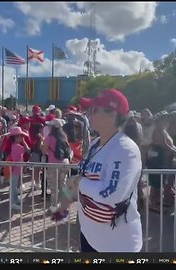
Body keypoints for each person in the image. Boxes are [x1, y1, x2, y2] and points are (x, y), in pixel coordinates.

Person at [57, 89, 142, 252]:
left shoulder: (125, 149)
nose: (88, 114)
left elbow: (112, 194)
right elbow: (85, 178)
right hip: (90, 237)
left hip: (116, 244)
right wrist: (68, 197)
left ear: (112, 115)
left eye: (94, 110)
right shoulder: (95, 143)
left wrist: (79, 183)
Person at [42, 118, 71, 213]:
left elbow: (44, 150)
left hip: (53, 164)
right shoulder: (64, 136)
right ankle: (63, 205)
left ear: (53, 127)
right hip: (65, 163)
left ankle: (54, 206)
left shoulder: (49, 137)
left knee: (54, 187)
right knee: (63, 185)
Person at [9, 126, 30, 210]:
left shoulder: (15, 146)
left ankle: (15, 199)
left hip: (16, 169)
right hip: (15, 169)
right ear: (16, 137)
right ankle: (12, 202)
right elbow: (27, 150)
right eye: (20, 136)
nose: (22, 138)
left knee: (14, 185)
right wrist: (24, 142)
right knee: (13, 186)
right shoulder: (18, 147)